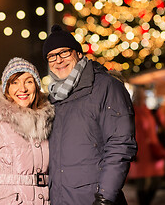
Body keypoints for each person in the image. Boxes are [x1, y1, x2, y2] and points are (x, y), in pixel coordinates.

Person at [42, 25, 137, 205]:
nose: (58, 60)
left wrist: (105, 197)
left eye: (64, 52)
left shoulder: (106, 87)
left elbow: (120, 145)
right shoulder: (53, 99)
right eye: (51, 56)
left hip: (93, 199)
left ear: (78, 53)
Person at [0, 57, 55, 205]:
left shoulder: (48, 122)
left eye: (29, 81)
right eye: (15, 82)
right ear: (7, 88)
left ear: (37, 86)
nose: (23, 88)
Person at [127, 86, 165, 205]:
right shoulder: (133, 110)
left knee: (156, 179)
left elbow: (157, 126)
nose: (143, 97)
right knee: (142, 182)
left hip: (152, 148)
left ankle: (146, 201)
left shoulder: (147, 110)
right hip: (141, 150)